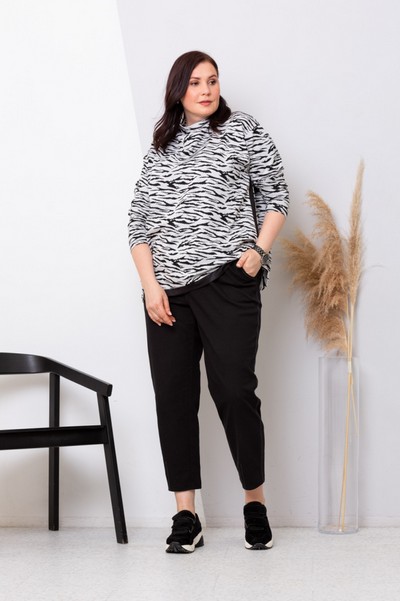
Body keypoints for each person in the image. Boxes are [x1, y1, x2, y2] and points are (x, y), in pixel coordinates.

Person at [128, 50, 289, 553]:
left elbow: (276, 195)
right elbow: (139, 223)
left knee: (236, 390)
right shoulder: (162, 147)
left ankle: (255, 503)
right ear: (178, 90)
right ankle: (186, 515)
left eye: (212, 80)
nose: (206, 89)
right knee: (173, 399)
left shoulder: (242, 129)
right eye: (195, 82)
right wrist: (150, 287)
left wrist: (258, 253)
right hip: (167, 296)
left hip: (227, 282)